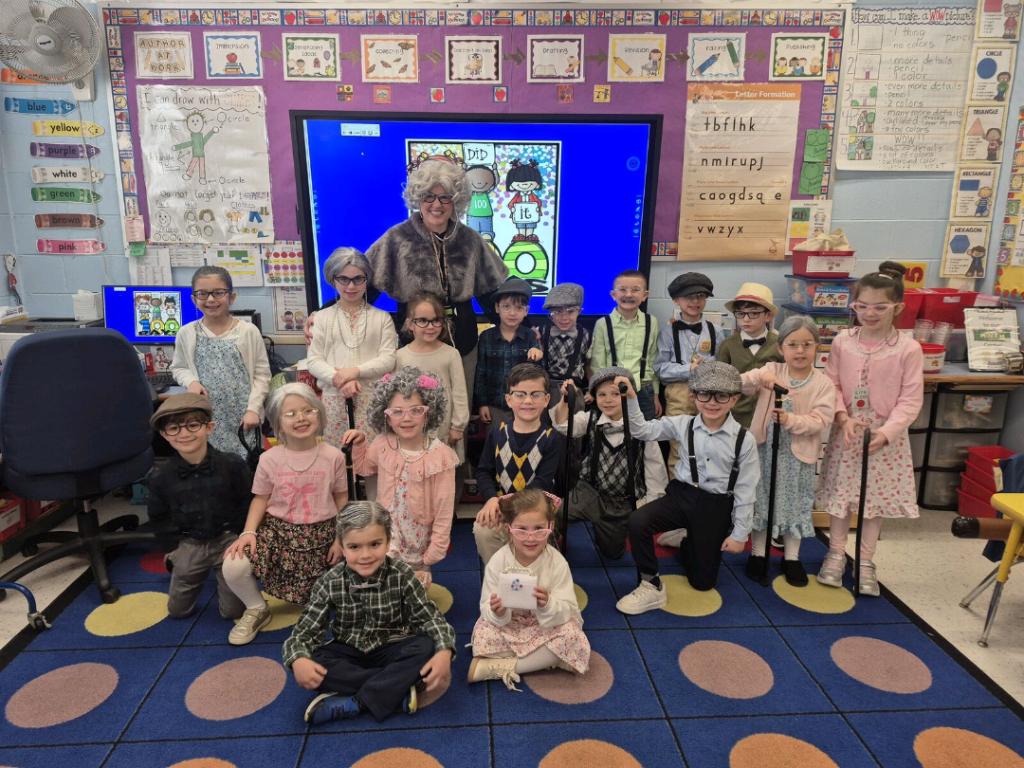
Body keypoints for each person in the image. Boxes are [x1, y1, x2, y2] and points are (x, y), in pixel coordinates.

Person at [283, 501, 456, 724]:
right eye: (354, 547)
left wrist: (445, 651)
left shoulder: (402, 573)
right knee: (315, 660)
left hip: (394, 645)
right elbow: (302, 634)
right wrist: (298, 660)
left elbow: (430, 618)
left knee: (426, 647)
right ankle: (396, 690)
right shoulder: (330, 582)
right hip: (350, 652)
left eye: (375, 544)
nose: (365, 555)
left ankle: (356, 703)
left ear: (387, 542)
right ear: (342, 547)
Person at [614, 361, 759, 614]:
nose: (712, 402)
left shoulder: (744, 439)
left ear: (734, 399)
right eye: (704, 394)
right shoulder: (683, 424)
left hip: (716, 506)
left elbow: (747, 489)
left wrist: (740, 534)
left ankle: (687, 541)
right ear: (694, 396)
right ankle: (650, 583)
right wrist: (631, 399)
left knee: (703, 583)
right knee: (638, 521)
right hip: (683, 495)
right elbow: (641, 430)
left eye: (721, 395)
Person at [815, 262, 923, 596]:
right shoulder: (843, 342)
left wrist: (888, 432)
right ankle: (835, 553)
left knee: (872, 502)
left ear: (898, 308)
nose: (870, 313)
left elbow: (910, 399)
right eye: (862, 307)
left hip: (883, 438)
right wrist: (842, 418)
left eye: (880, 307)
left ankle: (865, 559)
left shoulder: (908, 348)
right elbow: (830, 383)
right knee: (840, 498)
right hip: (847, 431)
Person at [222, 383, 348, 645]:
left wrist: (340, 538)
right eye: (290, 414)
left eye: (308, 410)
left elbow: (341, 498)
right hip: (279, 532)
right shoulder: (269, 459)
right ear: (277, 421)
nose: (301, 418)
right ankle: (257, 608)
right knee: (233, 564)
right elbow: (260, 498)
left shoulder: (333, 456)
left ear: (320, 414)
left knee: (355, 580)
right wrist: (248, 532)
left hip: (322, 535)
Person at [364, 157, 508, 359]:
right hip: (414, 343)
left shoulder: (470, 239)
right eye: (428, 197)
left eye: (445, 197)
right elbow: (361, 285)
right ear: (418, 199)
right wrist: (326, 314)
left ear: (456, 200)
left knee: (461, 390)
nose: (436, 204)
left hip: (462, 343)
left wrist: (521, 328)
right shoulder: (396, 238)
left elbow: (490, 293)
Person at [739, 316, 835, 586]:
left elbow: (822, 420)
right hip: (764, 452)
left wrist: (792, 421)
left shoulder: (823, 383)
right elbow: (740, 384)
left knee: (795, 503)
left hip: (798, 457)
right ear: (781, 348)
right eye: (793, 344)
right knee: (761, 499)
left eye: (807, 344)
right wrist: (759, 375)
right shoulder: (772, 370)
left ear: (817, 347)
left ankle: (791, 557)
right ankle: (758, 553)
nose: (800, 351)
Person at [342, 367, 458, 588]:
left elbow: (444, 508)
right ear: (385, 415)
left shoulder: (440, 456)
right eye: (397, 412)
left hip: (419, 539)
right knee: (384, 583)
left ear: (429, 412)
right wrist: (359, 444)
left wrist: (435, 550)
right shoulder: (383, 443)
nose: (406, 418)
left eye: (416, 410)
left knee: (412, 589)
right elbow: (365, 468)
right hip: (386, 532)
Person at [468, 488, 591, 690]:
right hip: (510, 624)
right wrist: (498, 611)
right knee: (482, 634)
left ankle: (505, 666)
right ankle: (548, 660)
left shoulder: (557, 563)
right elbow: (485, 607)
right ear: (509, 529)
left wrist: (548, 604)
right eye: (521, 529)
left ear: (550, 526)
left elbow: (568, 608)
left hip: (544, 625)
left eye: (539, 529)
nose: (531, 538)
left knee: (573, 636)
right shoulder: (498, 561)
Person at [147, 392, 251, 621]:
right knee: (178, 611)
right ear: (165, 435)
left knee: (233, 612)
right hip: (189, 542)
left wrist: (239, 536)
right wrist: (173, 548)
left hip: (226, 539)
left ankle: (233, 571)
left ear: (209, 427)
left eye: (193, 425)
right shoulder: (160, 476)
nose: (184, 433)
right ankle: (174, 562)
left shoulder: (232, 464)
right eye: (174, 428)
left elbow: (247, 501)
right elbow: (158, 516)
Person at [551, 368, 669, 559]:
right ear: (595, 397)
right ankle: (549, 547)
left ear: (629, 395)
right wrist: (565, 399)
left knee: (612, 553)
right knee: (555, 513)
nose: (608, 399)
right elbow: (564, 425)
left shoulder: (643, 430)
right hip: (589, 492)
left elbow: (655, 469)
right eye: (602, 394)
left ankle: (608, 535)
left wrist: (647, 503)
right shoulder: (591, 419)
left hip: (621, 501)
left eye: (616, 393)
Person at [170, 266, 271, 458]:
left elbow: (262, 376)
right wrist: (191, 382)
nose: (210, 299)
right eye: (203, 294)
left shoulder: (248, 331)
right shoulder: (187, 333)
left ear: (231, 297)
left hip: (243, 417)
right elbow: (179, 367)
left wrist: (254, 409)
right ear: (194, 299)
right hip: (207, 417)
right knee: (212, 467)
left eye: (218, 293)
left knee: (245, 468)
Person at [474, 363, 565, 563]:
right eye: (520, 394)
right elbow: (483, 471)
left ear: (547, 399)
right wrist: (491, 499)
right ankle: (499, 574)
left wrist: (505, 503)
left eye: (535, 394)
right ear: (508, 399)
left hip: (537, 508)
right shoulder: (497, 432)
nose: (528, 401)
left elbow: (541, 482)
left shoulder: (552, 438)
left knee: (531, 552)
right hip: (501, 505)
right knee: (482, 528)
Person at [306, 248, 397, 449]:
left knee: (373, 462)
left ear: (367, 279)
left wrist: (354, 372)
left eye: (358, 279)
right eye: (343, 279)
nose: (351, 286)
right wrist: (339, 379)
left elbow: (388, 359)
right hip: (334, 401)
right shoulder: (321, 318)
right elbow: (314, 360)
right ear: (333, 279)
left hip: (373, 400)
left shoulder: (382, 318)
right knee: (339, 463)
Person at [655, 271, 720, 469]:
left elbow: (722, 362)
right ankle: (676, 491)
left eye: (700, 296)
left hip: (708, 394)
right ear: (676, 300)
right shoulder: (667, 331)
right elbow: (660, 368)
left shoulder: (714, 330)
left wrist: (709, 368)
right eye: (688, 297)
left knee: (706, 445)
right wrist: (687, 369)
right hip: (678, 395)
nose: (695, 302)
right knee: (678, 445)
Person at [395, 291, 470, 463]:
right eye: (422, 320)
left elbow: (459, 393)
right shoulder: (400, 357)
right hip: (411, 432)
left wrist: (457, 427)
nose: (430, 327)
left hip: (444, 432)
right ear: (410, 324)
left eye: (436, 320)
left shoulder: (451, 354)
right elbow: (396, 397)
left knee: (443, 475)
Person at [589, 269, 661, 419]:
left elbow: (653, 360)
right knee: (613, 434)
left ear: (644, 295)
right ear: (614, 295)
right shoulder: (603, 324)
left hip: (644, 389)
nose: (628, 294)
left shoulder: (651, 322)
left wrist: (655, 395)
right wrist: (601, 392)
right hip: (612, 390)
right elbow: (597, 364)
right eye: (623, 290)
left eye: (635, 290)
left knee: (645, 435)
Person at [474, 277, 543, 428]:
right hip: (495, 406)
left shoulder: (530, 336)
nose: (512, 313)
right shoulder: (487, 337)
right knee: (496, 445)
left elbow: (538, 373)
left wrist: (538, 355)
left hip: (523, 406)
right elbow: (481, 374)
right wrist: (482, 403)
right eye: (506, 307)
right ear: (497, 308)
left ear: (526, 311)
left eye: (519, 308)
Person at [716, 282, 783, 428]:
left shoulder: (779, 344)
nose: (745, 319)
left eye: (753, 313)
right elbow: (721, 382)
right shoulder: (728, 345)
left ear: (768, 316)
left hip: (769, 416)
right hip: (735, 417)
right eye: (740, 314)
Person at [539, 282, 591, 392]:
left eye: (570, 311)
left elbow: (588, 365)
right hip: (547, 388)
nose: (564, 317)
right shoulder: (542, 333)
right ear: (550, 314)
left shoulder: (586, 335)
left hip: (575, 388)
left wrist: (591, 390)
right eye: (557, 312)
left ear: (579, 311)